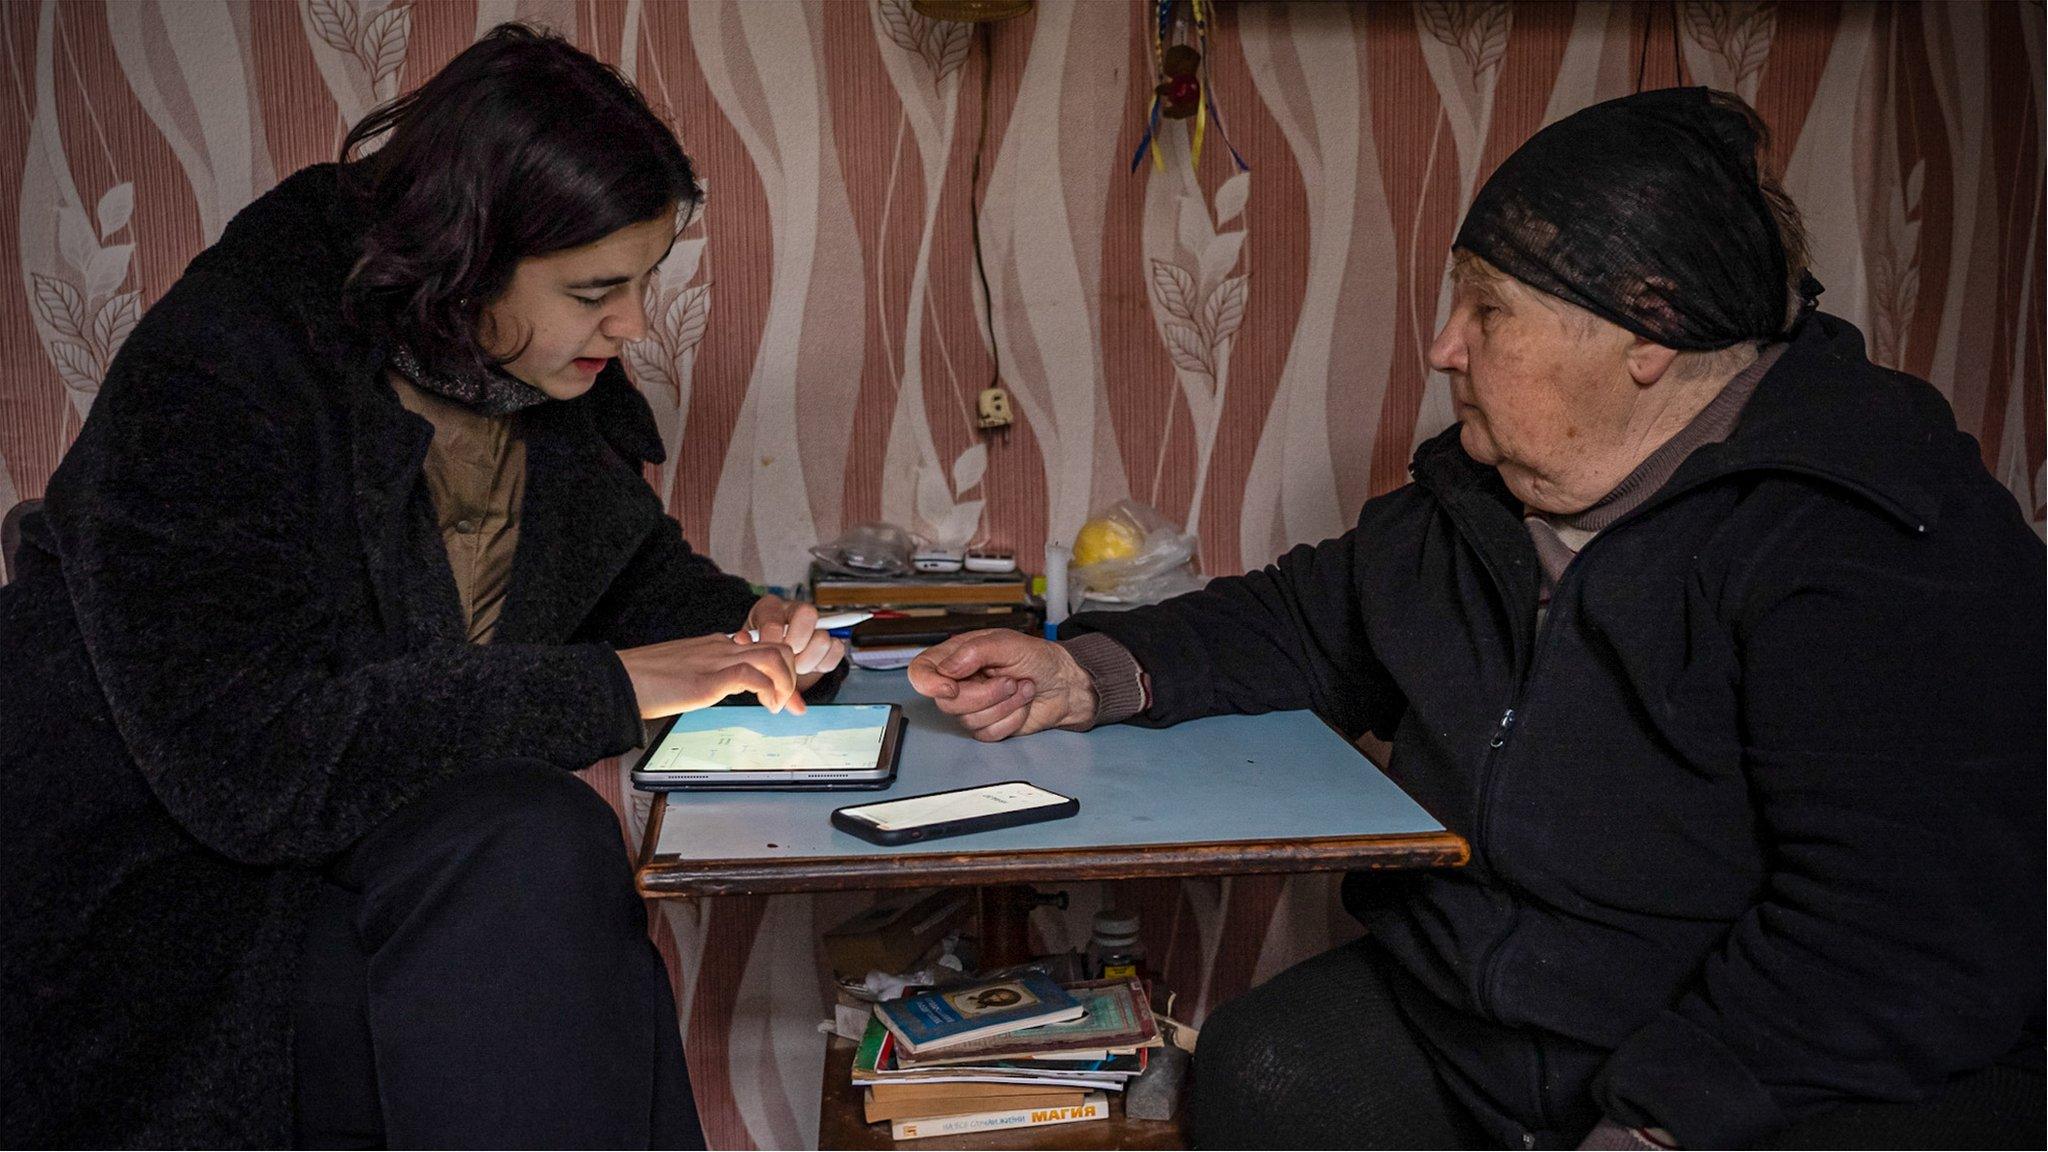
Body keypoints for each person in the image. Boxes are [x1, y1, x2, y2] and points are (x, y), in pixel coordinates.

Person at [910, 88, 2044, 1149]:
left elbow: (1892, 940)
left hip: (1757, 1062)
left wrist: (1660, 1123)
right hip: (1490, 1015)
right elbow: (1311, 619)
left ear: (1645, 330)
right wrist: (1083, 674)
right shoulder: (1483, 498)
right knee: (1265, 1068)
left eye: (1486, 309)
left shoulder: (1874, 537)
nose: (1445, 346)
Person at [0, 25, 844, 1148]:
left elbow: (619, 573)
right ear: (462, 258)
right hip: (178, 916)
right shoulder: (219, 373)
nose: (633, 324)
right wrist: (613, 687)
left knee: (541, 853)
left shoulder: (517, 358)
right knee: (535, 881)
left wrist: (743, 626)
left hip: (375, 851)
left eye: (644, 282)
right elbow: (252, 764)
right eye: (598, 289)